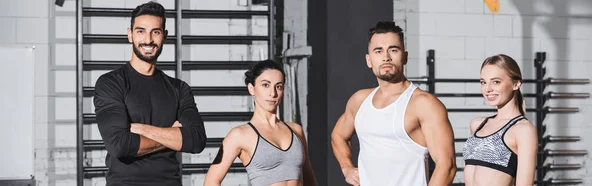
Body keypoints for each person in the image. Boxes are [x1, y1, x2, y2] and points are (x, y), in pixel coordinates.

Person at [93, 2, 207, 186]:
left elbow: (197, 140)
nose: (148, 39)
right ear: (130, 35)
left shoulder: (179, 88)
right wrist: (174, 136)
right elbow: (119, 145)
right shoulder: (111, 83)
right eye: (140, 31)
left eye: (156, 31)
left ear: (165, 36)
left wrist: (141, 129)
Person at [331, 21, 457, 186]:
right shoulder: (360, 100)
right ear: (369, 60)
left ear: (404, 57)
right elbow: (338, 136)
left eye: (393, 50)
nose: (386, 57)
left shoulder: (423, 104)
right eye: (378, 51)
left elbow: (447, 166)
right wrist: (347, 168)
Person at [203, 59, 317, 186]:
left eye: (278, 86)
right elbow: (211, 182)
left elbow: (309, 178)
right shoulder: (239, 135)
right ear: (252, 89)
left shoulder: (296, 130)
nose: (272, 93)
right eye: (265, 85)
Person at [462, 54, 537, 186]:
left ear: (516, 83)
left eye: (496, 81)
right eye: (483, 82)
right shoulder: (478, 124)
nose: (488, 89)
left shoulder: (523, 130)